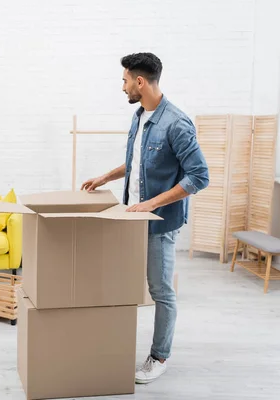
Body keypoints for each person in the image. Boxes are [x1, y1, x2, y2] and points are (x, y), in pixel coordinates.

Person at [81, 52, 209, 384]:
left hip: (158, 224)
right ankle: (115, 346)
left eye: (125, 81)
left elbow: (198, 177)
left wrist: (151, 203)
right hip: (131, 218)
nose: (122, 87)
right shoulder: (140, 116)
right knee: (123, 283)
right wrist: (105, 177)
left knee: (160, 290)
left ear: (140, 82)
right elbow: (136, 161)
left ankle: (159, 356)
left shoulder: (177, 124)